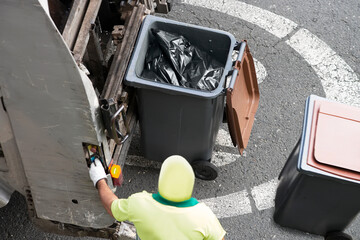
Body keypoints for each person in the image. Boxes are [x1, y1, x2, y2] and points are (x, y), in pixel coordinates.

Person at [89, 155, 226, 240]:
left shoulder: (140, 203)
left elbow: (112, 206)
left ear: (161, 181)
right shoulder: (204, 216)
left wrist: (100, 179)